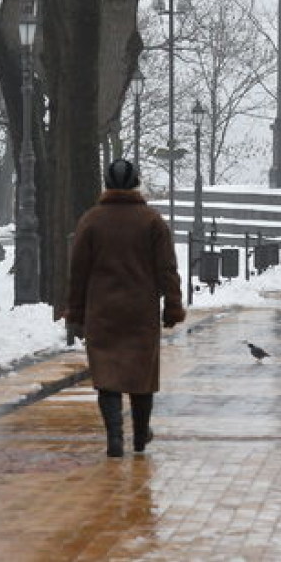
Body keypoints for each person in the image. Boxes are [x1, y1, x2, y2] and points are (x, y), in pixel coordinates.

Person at [67, 158, 185, 457]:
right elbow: (167, 269)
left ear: (107, 183)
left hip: (102, 312)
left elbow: (78, 271)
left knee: (107, 377)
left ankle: (114, 437)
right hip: (140, 313)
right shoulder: (152, 221)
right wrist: (172, 307)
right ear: (136, 183)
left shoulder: (91, 220)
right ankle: (141, 435)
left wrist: (76, 312)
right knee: (141, 377)